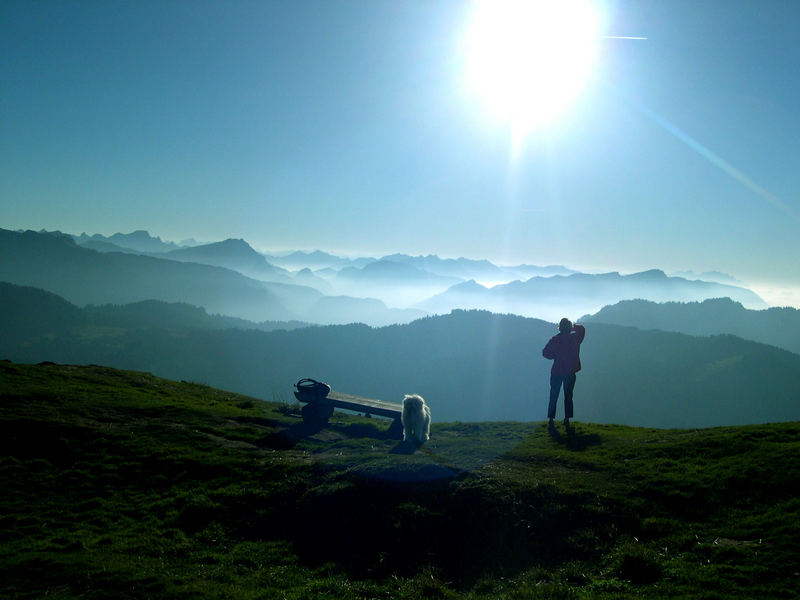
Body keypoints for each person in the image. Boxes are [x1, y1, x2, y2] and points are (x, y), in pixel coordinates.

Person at [542, 318, 586, 430]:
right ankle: (567, 419)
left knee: (554, 395)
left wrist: (554, 356)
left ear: (560, 327)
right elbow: (582, 329)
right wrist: (573, 326)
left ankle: (551, 419)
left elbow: (545, 352)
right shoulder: (575, 338)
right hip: (570, 372)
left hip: (556, 371)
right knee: (568, 396)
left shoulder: (555, 339)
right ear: (569, 327)